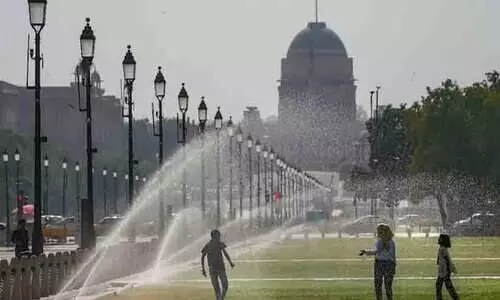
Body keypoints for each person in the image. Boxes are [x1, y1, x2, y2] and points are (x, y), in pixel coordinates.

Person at [359, 223, 396, 300]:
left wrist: (365, 252)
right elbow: (393, 255)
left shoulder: (380, 241)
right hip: (390, 264)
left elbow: (376, 252)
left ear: (380, 232)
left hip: (379, 264)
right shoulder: (391, 242)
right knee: (388, 286)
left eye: (378, 231)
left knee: (378, 285)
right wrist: (394, 265)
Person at [201, 229, 235, 300]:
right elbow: (203, 256)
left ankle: (220, 298)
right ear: (214, 236)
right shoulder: (209, 245)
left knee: (223, 286)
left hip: (217, 268)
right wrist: (203, 268)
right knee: (219, 287)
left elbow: (225, 253)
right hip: (215, 269)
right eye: (219, 235)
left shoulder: (218, 244)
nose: (220, 237)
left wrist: (230, 262)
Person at [436, 234, 459, 300]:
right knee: (442, 286)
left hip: (444, 271)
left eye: (440, 238)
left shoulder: (443, 249)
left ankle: (455, 298)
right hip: (443, 271)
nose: (438, 239)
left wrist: (451, 268)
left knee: (445, 286)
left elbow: (448, 259)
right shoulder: (442, 248)